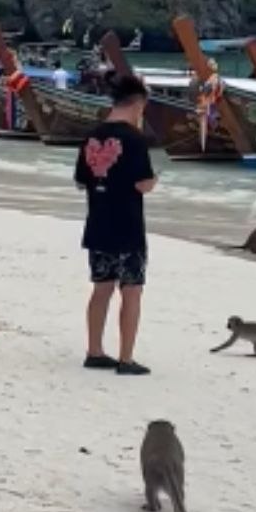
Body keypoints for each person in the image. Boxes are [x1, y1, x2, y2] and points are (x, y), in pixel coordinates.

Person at [74, 71, 156, 376]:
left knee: (101, 289)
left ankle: (94, 351)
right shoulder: (135, 139)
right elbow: (143, 184)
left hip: (97, 223)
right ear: (138, 104)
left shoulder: (92, 135)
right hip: (127, 225)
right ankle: (126, 358)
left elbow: (81, 181)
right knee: (131, 290)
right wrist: (154, 181)